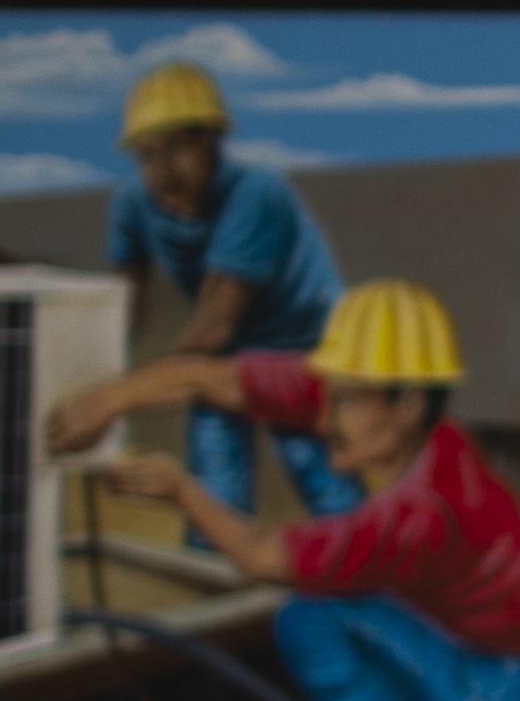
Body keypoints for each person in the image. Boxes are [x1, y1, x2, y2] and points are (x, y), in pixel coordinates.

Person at [45, 278, 520, 701]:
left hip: (505, 689)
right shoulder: (406, 430)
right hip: (490, 647)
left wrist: (181, 491)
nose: (321, 418)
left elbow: (263, 556)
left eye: (343, 402)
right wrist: (110, 400)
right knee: (364, 602)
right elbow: (214, 380)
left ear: (407, 403)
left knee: (312, 619)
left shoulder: (421, 512)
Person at [106, 59, 350, 515]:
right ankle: (213, 567)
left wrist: (116, 397)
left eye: (176, 148)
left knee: (321, 473)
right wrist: (106, 402)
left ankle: (364, 579)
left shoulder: (257, 192)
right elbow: (122, 311)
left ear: (213, 141)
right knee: (214, 478)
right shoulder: (132, 203)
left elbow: (217, 320)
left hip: (304, 349)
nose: (161, 170)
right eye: (147, 154)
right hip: (226, 354)